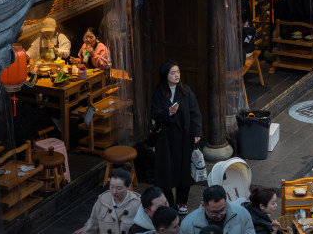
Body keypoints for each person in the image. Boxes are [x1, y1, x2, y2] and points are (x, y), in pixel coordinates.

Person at [151, 61, 202, 212]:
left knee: (183, 171)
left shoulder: (186, 91)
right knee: (165, 171)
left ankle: (182, 202)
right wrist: (169, 112)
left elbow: (195, 113)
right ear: (165, 75)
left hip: (184, 138)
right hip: (166, 138)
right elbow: (155, 113)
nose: (176, 75)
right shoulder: (159, 92)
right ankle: (169, 202)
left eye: (178, 72)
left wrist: (197, 132)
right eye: (173, 73)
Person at [76, 169, 141, 234]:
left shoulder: (136, 204)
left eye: (119, 188)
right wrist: (85, 229)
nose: (114, 191)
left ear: (128, 187)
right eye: (112, 187)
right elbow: (93, 222)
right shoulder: (102, 200)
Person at [180, 186, 256, 234]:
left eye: (222, 210)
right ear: (203, 205)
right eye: (214, 212)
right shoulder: (188, 225)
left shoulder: (242, 213)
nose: (219, 216)